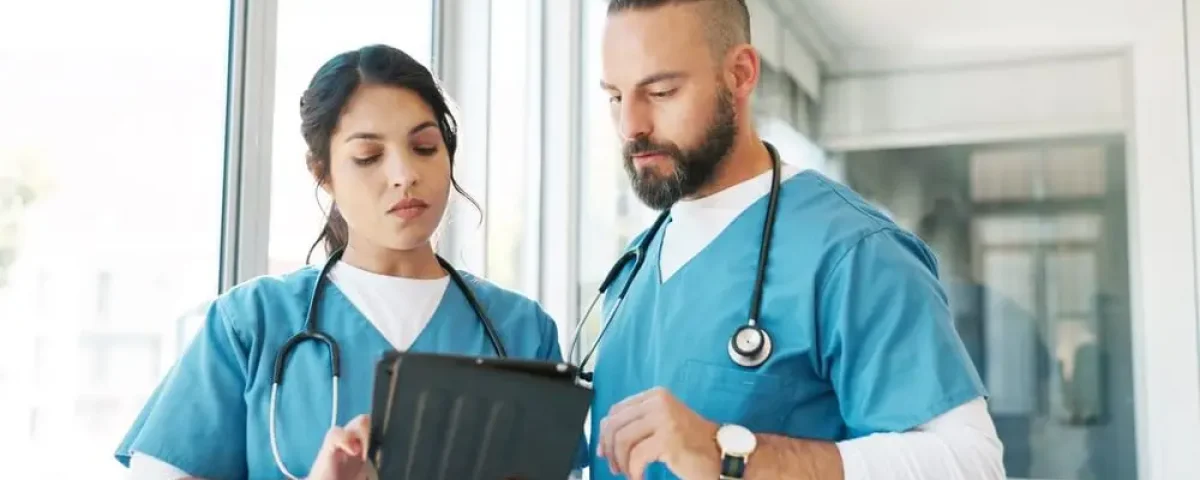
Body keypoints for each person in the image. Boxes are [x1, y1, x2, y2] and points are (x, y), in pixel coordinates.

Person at [114, 44, 585, 479]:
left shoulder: (522, 331)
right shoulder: (252, 324)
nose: (404, 175)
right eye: (368, 156)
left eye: (424, 147)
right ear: (324, 174)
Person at [585, 1, 1005, 479]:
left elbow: (973, 464)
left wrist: (729, 454)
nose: (630, 126)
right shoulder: (632, 269)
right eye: (615, 97)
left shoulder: (855, 252)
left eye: (660, 91)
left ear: (740, 75)